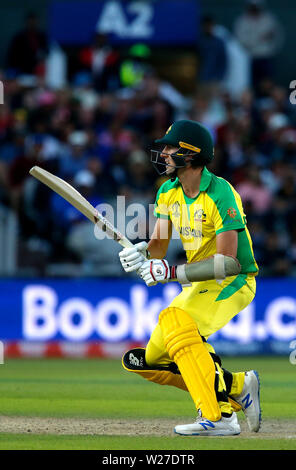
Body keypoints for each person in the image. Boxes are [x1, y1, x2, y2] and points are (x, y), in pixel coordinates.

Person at [118, 119, 261, 436]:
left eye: (170, 148)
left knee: (175, 319)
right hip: (199, 282)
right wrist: (140, 252)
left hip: (234, 281)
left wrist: (170, 272)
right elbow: (158, 248)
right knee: (147, 360)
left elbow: (229, 263)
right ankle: (236, 385)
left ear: (191, 155)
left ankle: (219, 417)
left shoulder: (221, 192)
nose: (164, 153)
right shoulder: (168, 192)